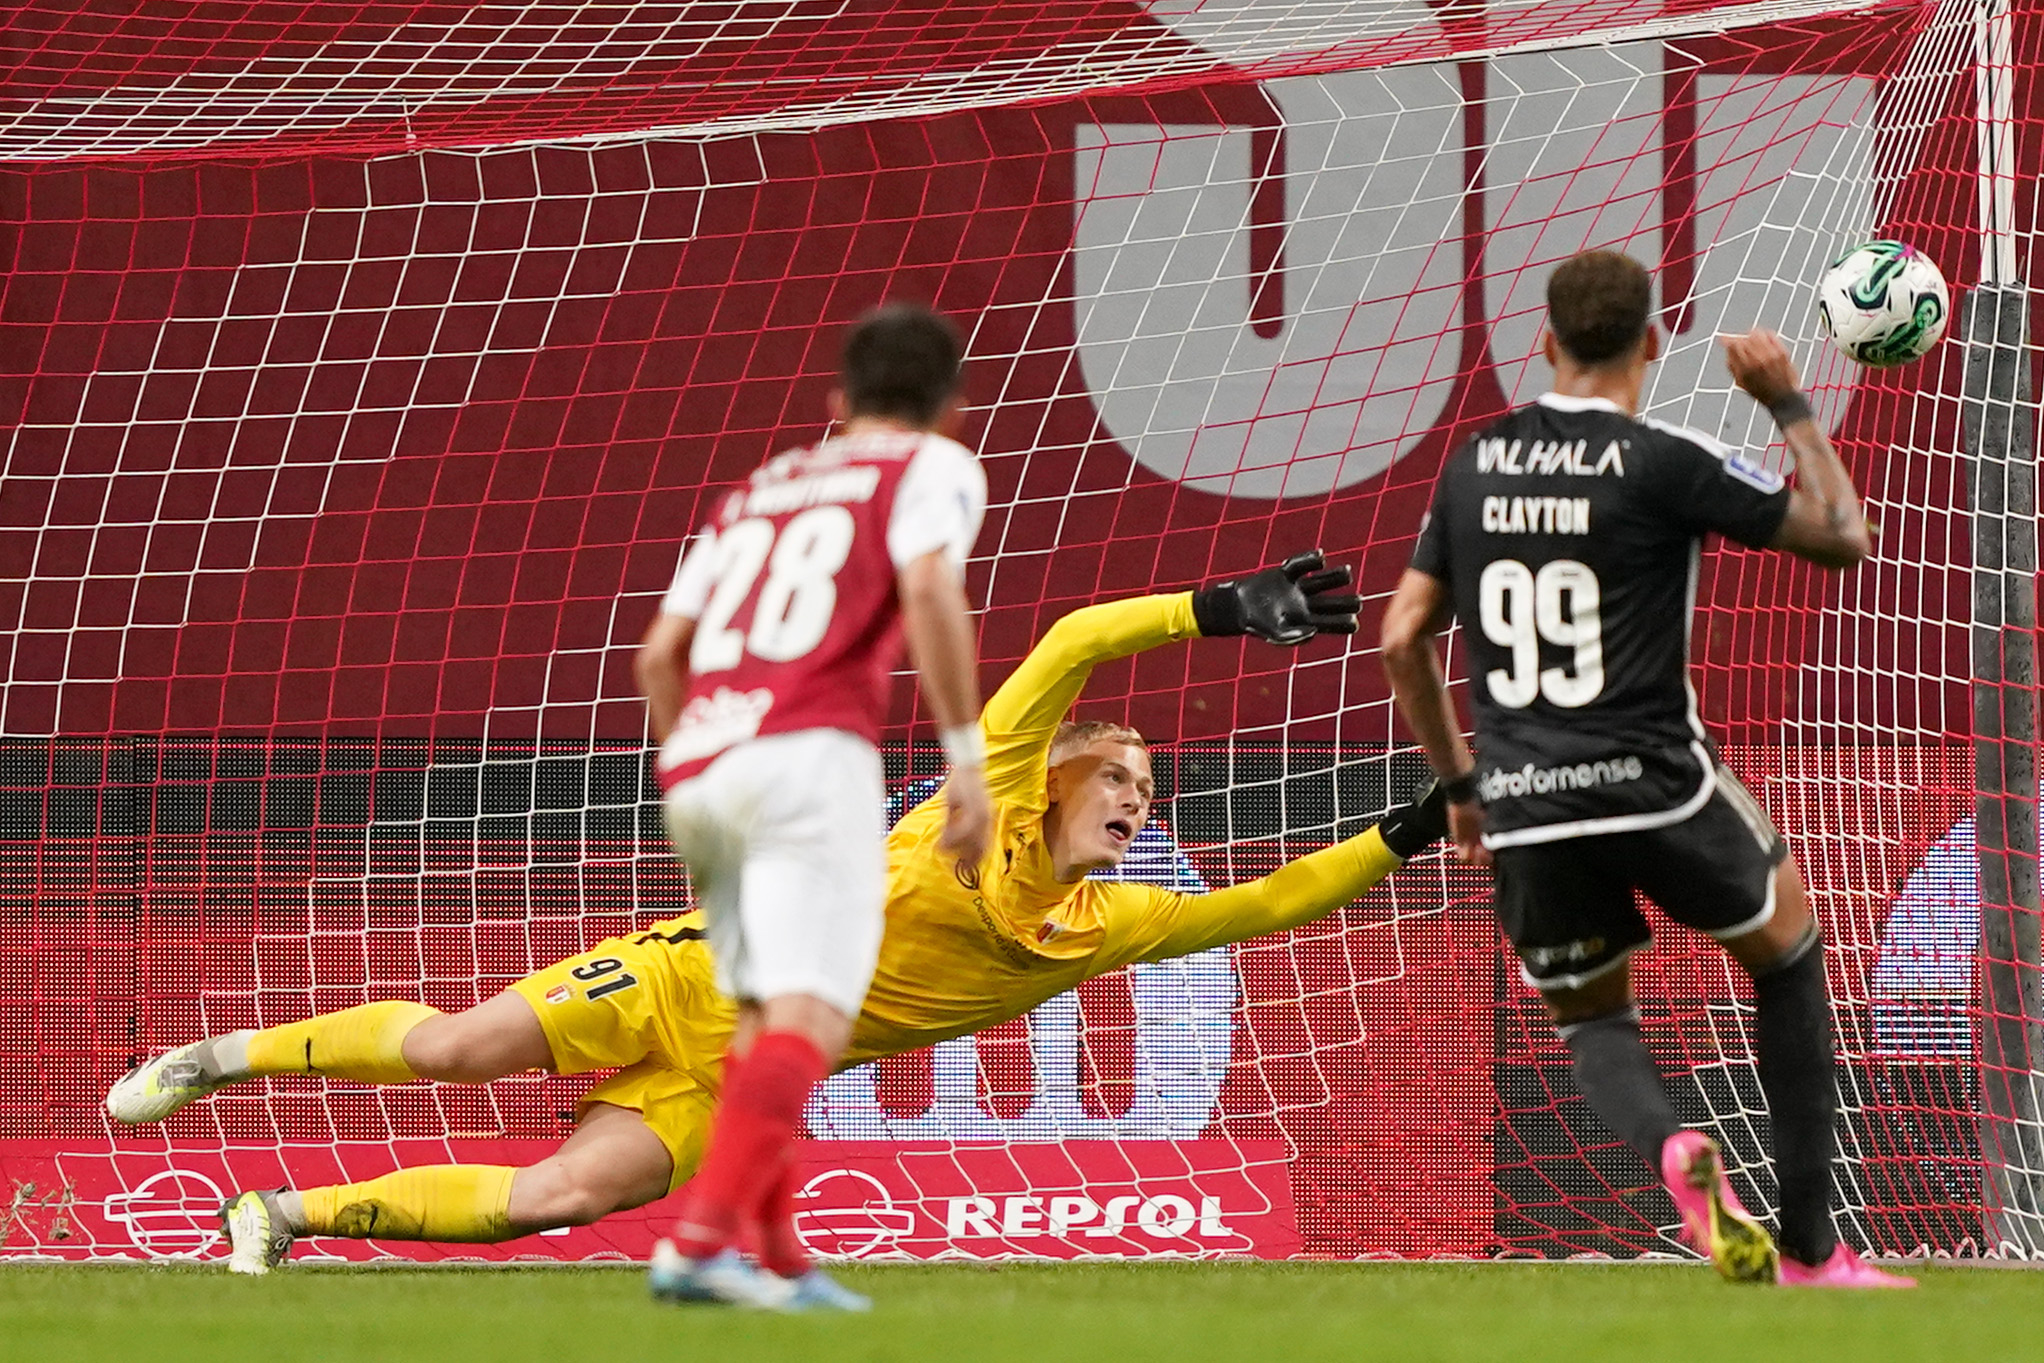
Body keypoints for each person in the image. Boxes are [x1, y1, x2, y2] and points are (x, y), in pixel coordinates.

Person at [106, 553, 1446, 1298]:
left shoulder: (1107, 922)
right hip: (693, 978)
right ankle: (221, 1059)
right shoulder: (976, 805)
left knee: (561, 1197)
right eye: (1121, 781)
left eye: (1150, 793)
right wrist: (1215, 611)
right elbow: (1076, 641)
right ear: (1057, 779)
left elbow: (1269, 900)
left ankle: (279, 1210)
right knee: (460, 1049)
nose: (1139, 801)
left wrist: (1415, 821)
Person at [118, 302, 998, 1313]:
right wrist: (963, 764)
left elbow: (657, 657)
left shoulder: (761, 489)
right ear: (953, 410)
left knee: (751, 1033)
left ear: (837, 402)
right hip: (810, 758)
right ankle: (706, 1247)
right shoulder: (932, 467)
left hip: (709, 764)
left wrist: (700, 767)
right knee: (794, 1017)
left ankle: (771, 1254)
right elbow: (930, 586)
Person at [1379, 249, 1911, 1288]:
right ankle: (1812, 1249)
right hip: (1656, 777)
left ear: (1541, 343)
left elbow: (1403, 638)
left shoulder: (1475, 465)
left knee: (1593, 1020)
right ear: (1653, 344)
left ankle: (1676, 1152)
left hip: (1526, 797)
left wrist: (1457, 789)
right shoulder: (1663, 458)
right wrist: (1788, 402)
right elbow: (1845, 537)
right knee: (1789, 953)